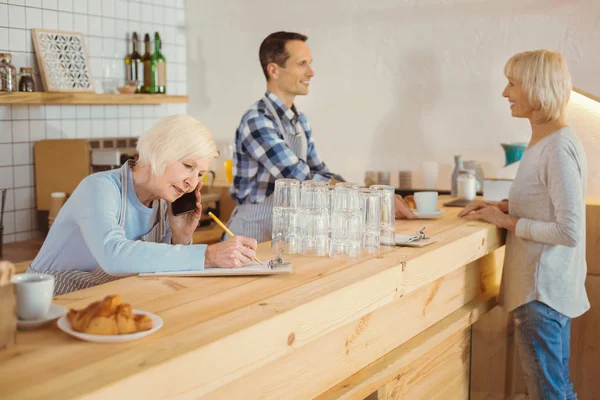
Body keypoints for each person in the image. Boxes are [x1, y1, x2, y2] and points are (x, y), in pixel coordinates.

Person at [459, 50, 588, 400]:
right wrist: (503, 206)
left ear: (536, 88)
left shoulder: (557, 148)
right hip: (545, 290)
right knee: (556, 390)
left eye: (512, 84)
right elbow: (545, 203)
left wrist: (507, 220)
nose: (505, 93)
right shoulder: (548, 141)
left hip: (541, 292)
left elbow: (569, 230)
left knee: (549, 393)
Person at [29, 115, 257, 295]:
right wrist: (208, 255)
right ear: (160, 150)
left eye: (200, 174)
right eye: (188, 166)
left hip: (103, 304)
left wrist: (180, 237)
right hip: (47, 304)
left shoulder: (164, 202)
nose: (192, 182)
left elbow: (166, 272)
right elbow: (113, 256)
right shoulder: (99, 187)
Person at [228, 31, 413, 243]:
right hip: (250, 230)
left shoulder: (299, 121)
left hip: (283, 230)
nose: (311, 72)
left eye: (310, 63)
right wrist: (368, 196)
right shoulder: (257, 120)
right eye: (302, 64)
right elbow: (298, 176)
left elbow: (319, 170)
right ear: (274, 70)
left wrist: (368, 195)